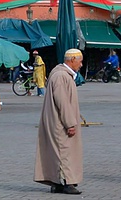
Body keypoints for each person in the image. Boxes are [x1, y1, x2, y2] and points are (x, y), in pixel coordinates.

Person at [34, 49, 84, 195]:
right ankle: (67, 182)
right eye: (80, 61)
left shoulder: (60, 74)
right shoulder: (62, 76)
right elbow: (62, 102)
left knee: (58, 151)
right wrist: (70, 123)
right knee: (64, 150)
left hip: (57, 120)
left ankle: (57, 182)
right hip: (60, 122)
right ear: (72, 60)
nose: (81, 65)